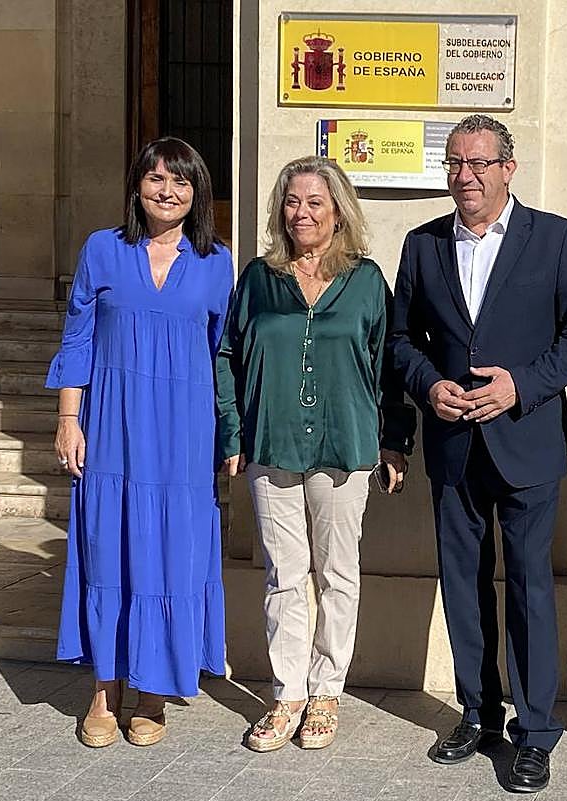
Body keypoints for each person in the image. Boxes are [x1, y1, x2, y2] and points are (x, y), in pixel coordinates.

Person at [388, 114, 567, 793]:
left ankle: (535, 732)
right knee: (464, 586)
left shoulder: (556, 239)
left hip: (527, 442)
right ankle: (478, 712)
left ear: (509, 168)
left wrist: (520, 387)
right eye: (453, 163)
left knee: (531, 588)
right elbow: (399, 341)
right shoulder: (422, 245)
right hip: (453, 445)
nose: (464, 176)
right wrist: (430, 386)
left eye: (477, 163)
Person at [216, 156, 414, 753]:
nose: (301, 213)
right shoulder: (258, 278)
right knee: (284, 574)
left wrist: (395, 440)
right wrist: (232, 434)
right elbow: (228, 355)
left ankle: (327, 689)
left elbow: (389, 365)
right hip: (272, 442)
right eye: (292, 202)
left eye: (314, 202)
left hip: (346, 444)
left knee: (336, 573)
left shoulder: (367, 280)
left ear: (338, 212)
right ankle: (288, 693)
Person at [49, 137, 233, 748]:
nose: (166, 190)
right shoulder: (104, 250)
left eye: (180, 181)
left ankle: (153, 688)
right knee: (109, 549)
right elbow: (77, 340)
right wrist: (68, 418)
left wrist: (228, 432)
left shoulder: (216, 263)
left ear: (197, 193)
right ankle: (104, 689)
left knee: (169, 551)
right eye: (155, 178)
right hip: (112, 426)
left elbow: (222, 355)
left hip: (182, 431)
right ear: (137, 186)